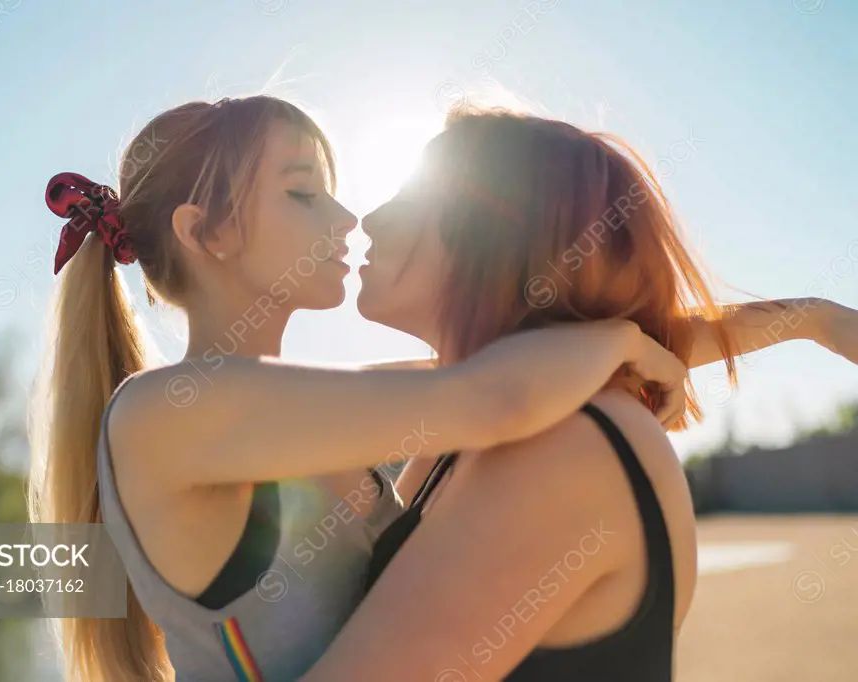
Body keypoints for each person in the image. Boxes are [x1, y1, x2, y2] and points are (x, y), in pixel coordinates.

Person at [28, 95, 856, 682]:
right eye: (304, 193)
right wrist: (612, 339)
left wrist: (811, 320)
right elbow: (497, 396)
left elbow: (524, 364)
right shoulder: (166, 412)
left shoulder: (314, 410)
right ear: (204, 231)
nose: (348, 220)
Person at [294, 107, 858, 682]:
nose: (372, 219)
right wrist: (807, 319)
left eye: (411, 198)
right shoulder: (470, 417)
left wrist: (811, 319)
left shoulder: (562, 440)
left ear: (497, 238)